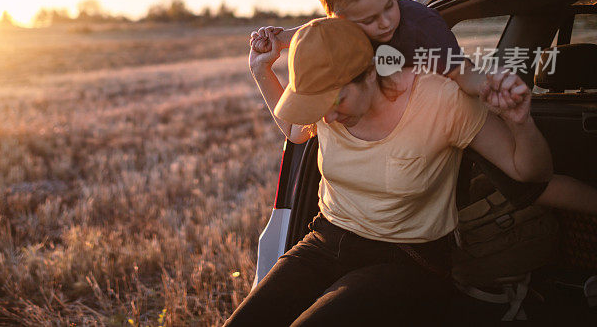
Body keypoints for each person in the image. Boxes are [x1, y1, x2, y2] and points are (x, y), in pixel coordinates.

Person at [224, 18, 553, 326]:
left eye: (337, 100)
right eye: (318, 107)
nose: (329, 118)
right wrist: (260, 68)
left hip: (405, 258)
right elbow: (296, 131)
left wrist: (520, 123)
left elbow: (527, 171)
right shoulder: (326, 108)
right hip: (326, 239)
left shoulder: (440, 101)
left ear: (370, 73)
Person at [250, 0, 597, 214]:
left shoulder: (422, 25)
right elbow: (308, 38)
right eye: (369, 19)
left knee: (531, 187)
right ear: (337, 19)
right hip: (402, 132)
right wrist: (275, 42)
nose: (385, 22)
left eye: (389, 5)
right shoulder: (336, 38)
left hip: (444, 109)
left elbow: (463, 73)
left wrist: (491, 88)